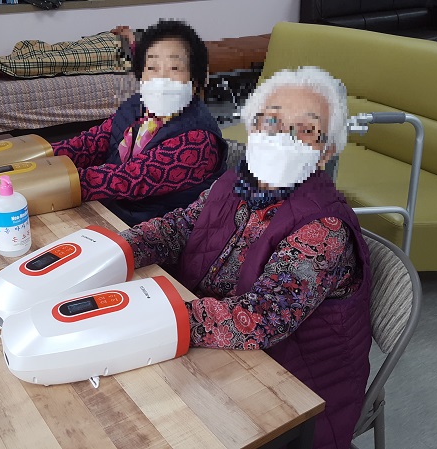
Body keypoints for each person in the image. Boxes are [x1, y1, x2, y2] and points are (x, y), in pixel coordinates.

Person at [118, 66, 372, 449]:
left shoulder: (325, 229)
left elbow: (260, 319)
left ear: (326, 152)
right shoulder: (236, 183)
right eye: (271, 121)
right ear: (252, 126)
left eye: (306, 130)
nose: (282, 137)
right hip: (222, 351)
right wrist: (117, 250)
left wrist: (153, 317)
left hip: (292, 391)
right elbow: (178, 228)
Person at [51, 20, 227, 226]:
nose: (161, 78)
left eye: (175, 68)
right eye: (152, 67)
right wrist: (42, 160)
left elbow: (130, 178)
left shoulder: (198, 140)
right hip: (115, 211)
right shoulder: (138, 107)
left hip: (156, 233)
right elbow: (91, 143)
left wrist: (57, 183)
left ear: (195, 80)